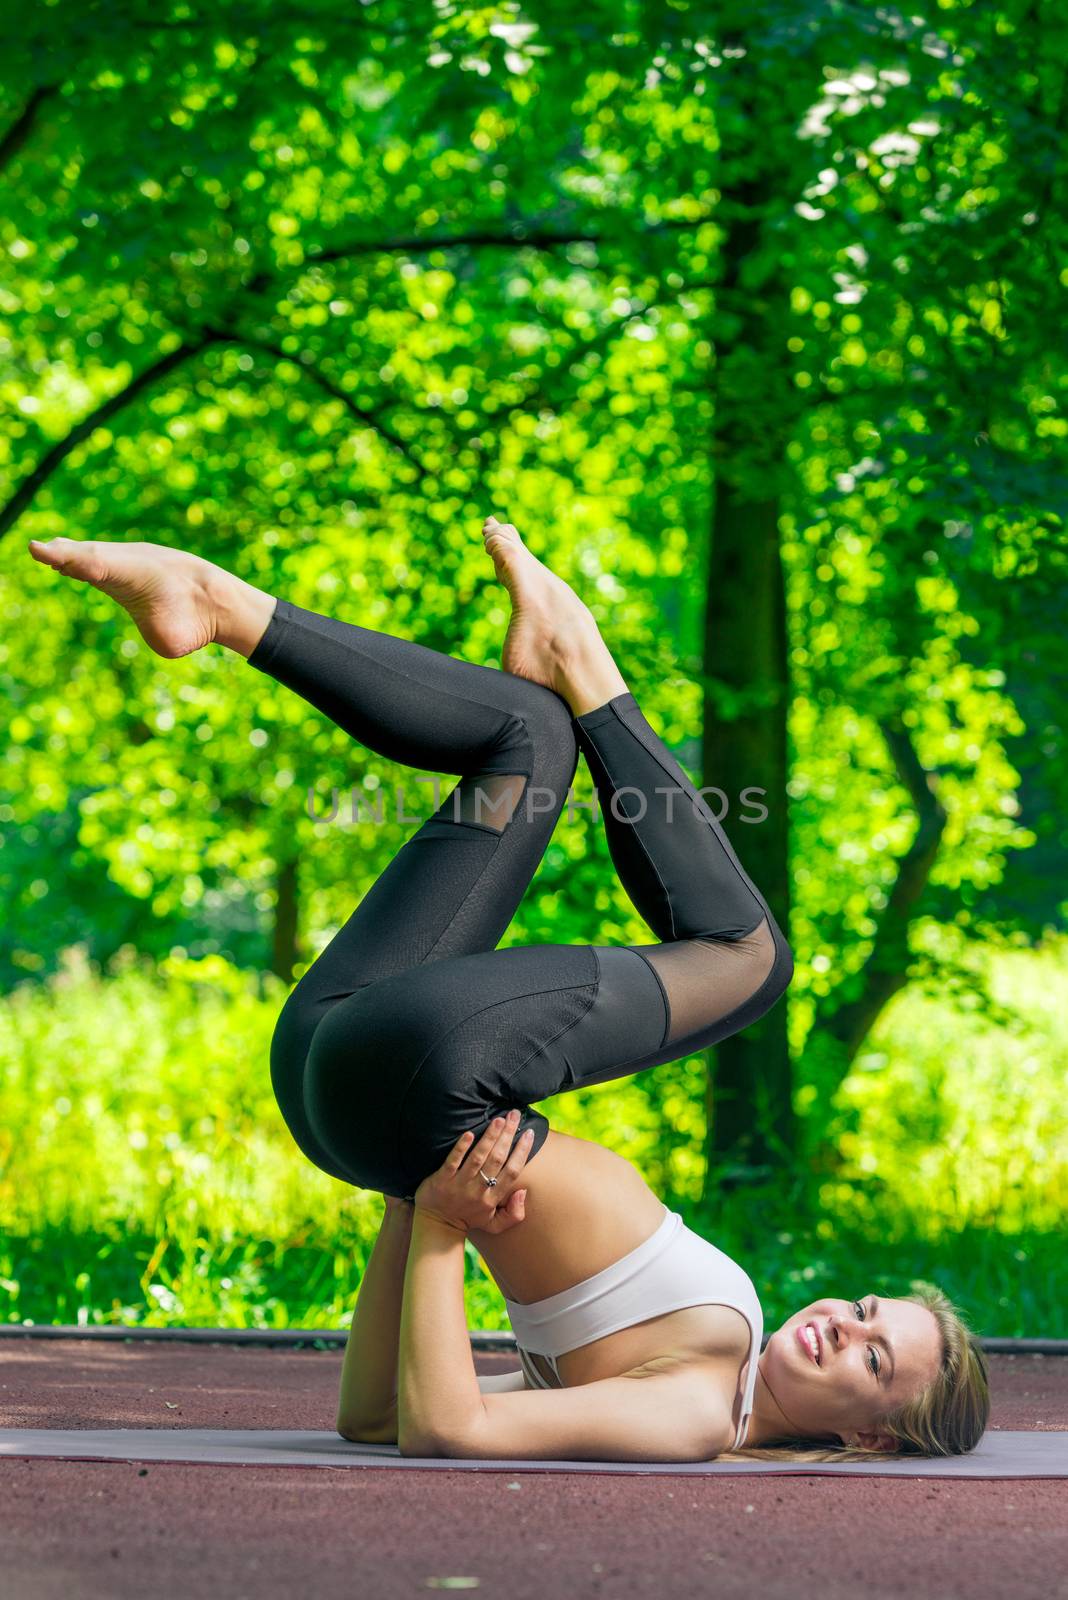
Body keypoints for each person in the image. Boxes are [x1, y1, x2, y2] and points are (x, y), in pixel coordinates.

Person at [29, 518, 989, 1463]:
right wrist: (415, 1202)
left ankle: (584, 658)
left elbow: (448, 1432)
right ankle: (224, 608)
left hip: (423, 1081)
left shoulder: (700, 1411)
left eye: (872, 1358)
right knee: (525, 738)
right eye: (866, 1311)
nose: (839, 1326)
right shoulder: (669, 1381)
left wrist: (441, 1221)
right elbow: (377, 1418)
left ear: (870, 1437)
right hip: (342, 1073)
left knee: (749, 963)